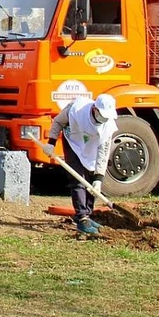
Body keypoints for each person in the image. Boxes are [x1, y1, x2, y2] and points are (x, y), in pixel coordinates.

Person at [40, 94, 119, 234]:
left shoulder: (109, 126)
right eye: (102, 115)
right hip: (73, 141)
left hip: (91, 147)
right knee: (77, 178)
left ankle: (88, 214)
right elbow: (58, 122)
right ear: (95, 109)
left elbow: (103, 153)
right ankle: (82, 217)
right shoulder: (77, 109)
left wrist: (99, 179)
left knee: (90, 180)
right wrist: (51, 143)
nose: (104, 119)